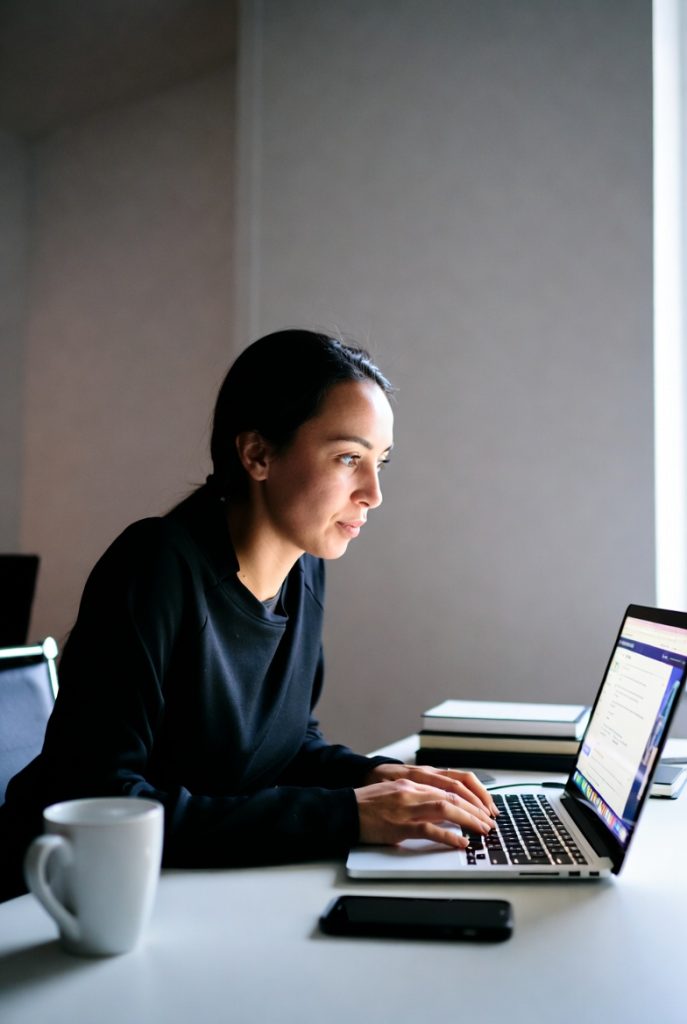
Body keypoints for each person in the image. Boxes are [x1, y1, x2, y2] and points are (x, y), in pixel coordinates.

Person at [0, 329, 497, 901]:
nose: (373, 492)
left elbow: (281, 746)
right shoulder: (155, 566)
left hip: (180, 895)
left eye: (380, 462)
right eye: (347, 458)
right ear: (258, 454)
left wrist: (369, 777)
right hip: (50, 900)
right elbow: (100, 800)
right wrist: (344, 815)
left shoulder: (306, 569)